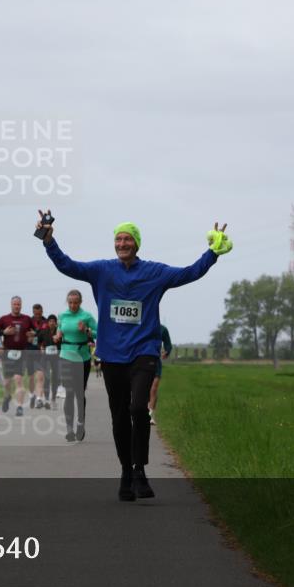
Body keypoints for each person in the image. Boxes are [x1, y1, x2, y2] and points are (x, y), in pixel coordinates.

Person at [38, 212, 232, 501]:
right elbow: (67, 265)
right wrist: (48, 239)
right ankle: (126, 472)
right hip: (112, 356)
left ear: (137, 243)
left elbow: (189, 273)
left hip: (143, 352)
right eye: (118, 239)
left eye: (128, 238)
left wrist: (212, 253)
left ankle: (140, 468)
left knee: (138, 408)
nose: (122, 243)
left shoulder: (155, 273)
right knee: (119, 417)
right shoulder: (102, 271)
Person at [55, 290, 97, 442]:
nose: (73, 305)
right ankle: (69, 429)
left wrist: (86, 330)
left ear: (80, 302)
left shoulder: (86, 316)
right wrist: (57, 335)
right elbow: (60, 329)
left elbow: (99, 333)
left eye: (76, 302)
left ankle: (80, 424)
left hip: (82, 357)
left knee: (79, 393)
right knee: (69, 392)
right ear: (67, 302)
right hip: (65, 356)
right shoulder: (62, 315)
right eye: (70, 302)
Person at [0, 297, 34, 417]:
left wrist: (33, 334)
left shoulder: (27, 319)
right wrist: (3, 333)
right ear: (11, 305)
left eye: (19, 304)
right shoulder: (4, 319)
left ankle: (20, 406)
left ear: (21, 305)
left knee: (18, 379)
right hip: (7, 354)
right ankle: (7, 396)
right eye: (15, 304)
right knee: (7, 382)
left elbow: (36, 331)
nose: (17, 306)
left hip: (22, 353)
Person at [148, 324, 173, 425]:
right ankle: (144, 410)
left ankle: (151, 415)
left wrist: (166, 352)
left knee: (153, 389)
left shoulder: (163, 329)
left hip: (156, 362)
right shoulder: (143, 324)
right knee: (144, 389)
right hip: (141, 361)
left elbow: (168, 344)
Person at [28, 303, 49, 409]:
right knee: (31, 377)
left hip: (42, 353)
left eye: (39, 313)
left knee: (40, 376)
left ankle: (39, 399)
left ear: (42, 312)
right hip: (30, 352)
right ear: (33, 312)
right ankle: (32, 395)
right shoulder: (28, 322)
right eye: (35, 314)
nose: (37, 316)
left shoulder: (46, 323)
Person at [41, 314, 61, 409]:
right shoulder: (44, 332)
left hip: (57, 358)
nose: (52, 323)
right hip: (46, 358)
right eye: (50, 321)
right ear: (47, 323)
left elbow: (63, 343)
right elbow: (38, 341)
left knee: (55, 378)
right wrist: (40, 347)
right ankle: (46, 399)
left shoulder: (59, 332)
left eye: (53, 321)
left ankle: (53, 399)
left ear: (56, 323)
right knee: (47, 378)